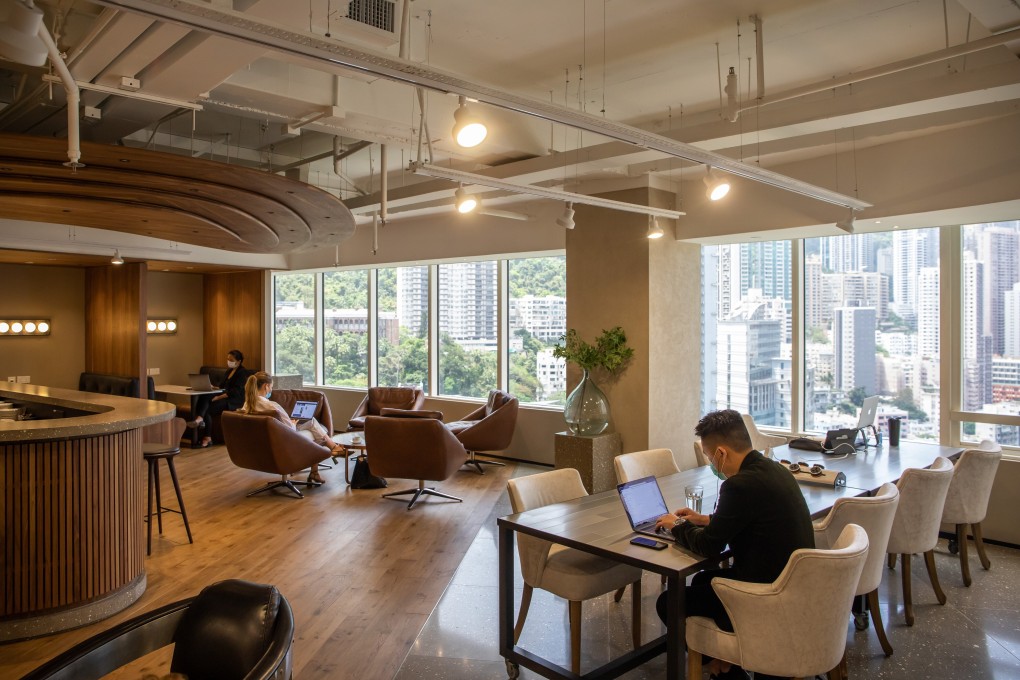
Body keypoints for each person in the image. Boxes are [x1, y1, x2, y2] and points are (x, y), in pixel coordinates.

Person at [654, 409, 814, 680]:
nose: (710, 463)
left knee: (668, 602)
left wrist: (677, 525)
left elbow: (708, 547)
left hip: (766, 595)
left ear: (721, 453)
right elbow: (750, 515)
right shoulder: (771, 469)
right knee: (704, 579)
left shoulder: (739, 485)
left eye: (708, 456)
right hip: (794, 583)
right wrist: (706, 519)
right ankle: (724, 660)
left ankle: (723, 667)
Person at [240, 371, 342, 485]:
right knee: (313, 431)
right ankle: (333, 448)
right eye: (271, 387)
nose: (271, 390)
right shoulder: (272, 406)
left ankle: (317, 469)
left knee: (311, 424)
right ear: (266, 386)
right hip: (283, 442)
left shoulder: (246, 405)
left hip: (261, 443)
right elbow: (290, 430)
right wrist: (292, 423)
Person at [187, 349, 249, 447]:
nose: (228, 361)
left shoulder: (242, 372)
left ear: (239, 361)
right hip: (224, 395)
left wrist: (218, 397)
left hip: (234, 401)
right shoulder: (229, 371)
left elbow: (235, 392)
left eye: (231, 359)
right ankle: (200, 420)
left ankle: (206, 435)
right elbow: (222, 387)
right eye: (228, 359)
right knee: (204, 396)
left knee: (207, 409)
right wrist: (212, 387)